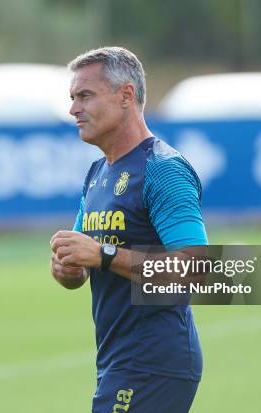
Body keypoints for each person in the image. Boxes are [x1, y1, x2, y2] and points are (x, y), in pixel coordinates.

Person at [50, 47, 208, 413]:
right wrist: (67, 267)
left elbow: (196, 270)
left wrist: (104, 255)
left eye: (85, 96)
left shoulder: (163, 169)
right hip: (118, 359)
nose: (74, 109)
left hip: (152, 360)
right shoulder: (97, 174)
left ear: (126, 96)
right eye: (72, 98)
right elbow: (81, 269)